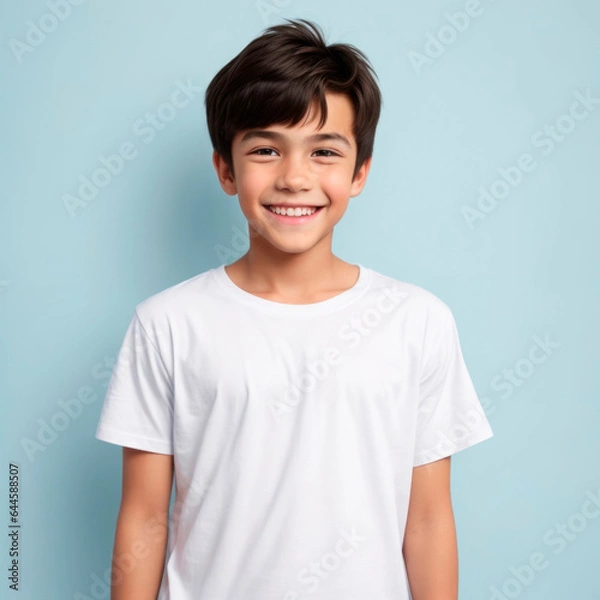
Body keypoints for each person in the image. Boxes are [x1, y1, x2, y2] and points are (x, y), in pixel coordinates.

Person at [95, 18, 494, 600]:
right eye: (264, 149)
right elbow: (144, 517)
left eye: (324, 151)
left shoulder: (417, 321)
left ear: (360, 172)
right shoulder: (167, 324)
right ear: (226, 169)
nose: (294, 177)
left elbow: (429, 519)